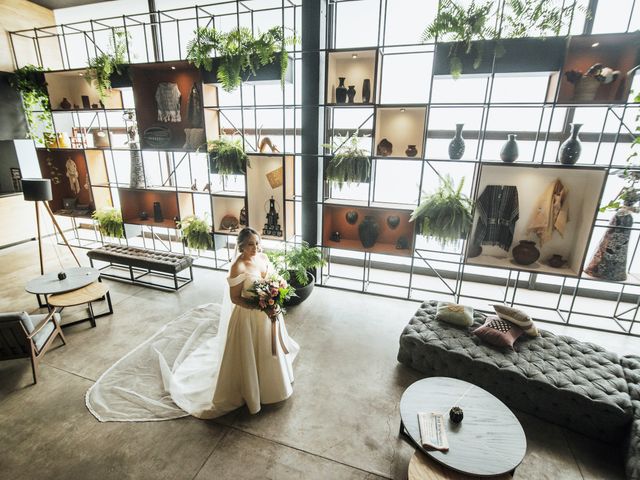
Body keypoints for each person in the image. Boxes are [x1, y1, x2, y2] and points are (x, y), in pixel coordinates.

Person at [85, 227, 299, 422]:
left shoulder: (262, 257)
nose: (255, 247)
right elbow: (235, 298)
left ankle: (271, 385)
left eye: (257, 243)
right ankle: (251, 390)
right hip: (248, 317)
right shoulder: (237, 266)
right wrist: (258, 306)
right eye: (251, 244)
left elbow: (270, 279)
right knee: (248, 353)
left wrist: (274, 296)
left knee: (266, 351)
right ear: (241, 246)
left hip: (267, 314)